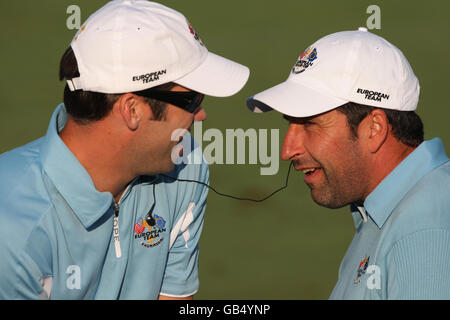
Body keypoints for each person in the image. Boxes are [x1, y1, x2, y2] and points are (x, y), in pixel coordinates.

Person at [0, 0, 249, 299]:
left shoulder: (186, 166)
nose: (201, 115)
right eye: (192, 100)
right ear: (132, 110)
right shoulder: (11, 229)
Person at [247, 27, 450, 299]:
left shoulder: (424, 230)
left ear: (374, 129)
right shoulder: (387, 210)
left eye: (310, 124)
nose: (287, 150)